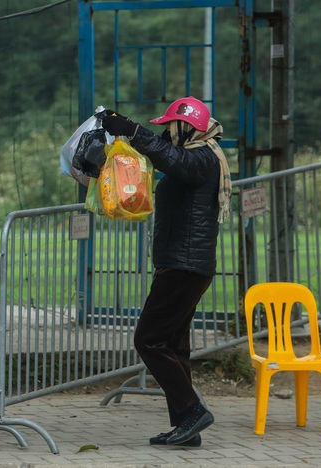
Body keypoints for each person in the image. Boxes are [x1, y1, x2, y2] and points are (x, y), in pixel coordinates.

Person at [101, 96, 232, 447]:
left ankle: (192, 411)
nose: (168, 133)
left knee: (148, 339)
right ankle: (186, 426)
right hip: (183, 266)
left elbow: (174, 160)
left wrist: (132, 130)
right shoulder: (200, 156)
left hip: (183, 267)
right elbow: (167, 159)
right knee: (174, 346)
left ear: (185, 126)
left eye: (170, 127)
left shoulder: (202, 157)